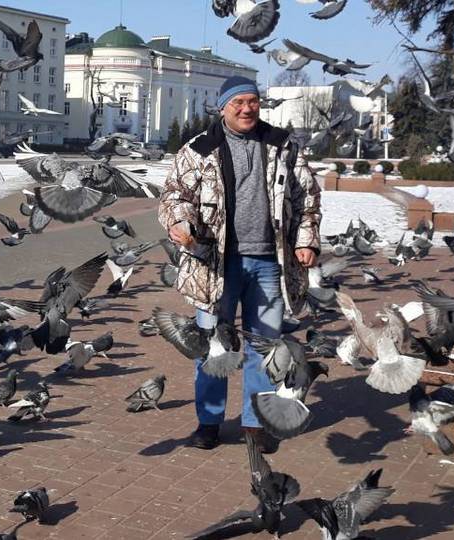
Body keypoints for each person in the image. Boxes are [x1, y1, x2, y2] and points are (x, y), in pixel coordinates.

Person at [157, 75, 321, 452]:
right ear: (222, 108)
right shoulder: (199, 148)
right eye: (238, 103)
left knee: (266, 348)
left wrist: (306, 240)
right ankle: (208, 423)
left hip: (269, 263)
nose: (247, 109)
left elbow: (307, 197)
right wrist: (182, 224)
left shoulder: (282, 144)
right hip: (215, 264)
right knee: (213, 347)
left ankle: (255, 424)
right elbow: (174, 196)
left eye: (253, 102)